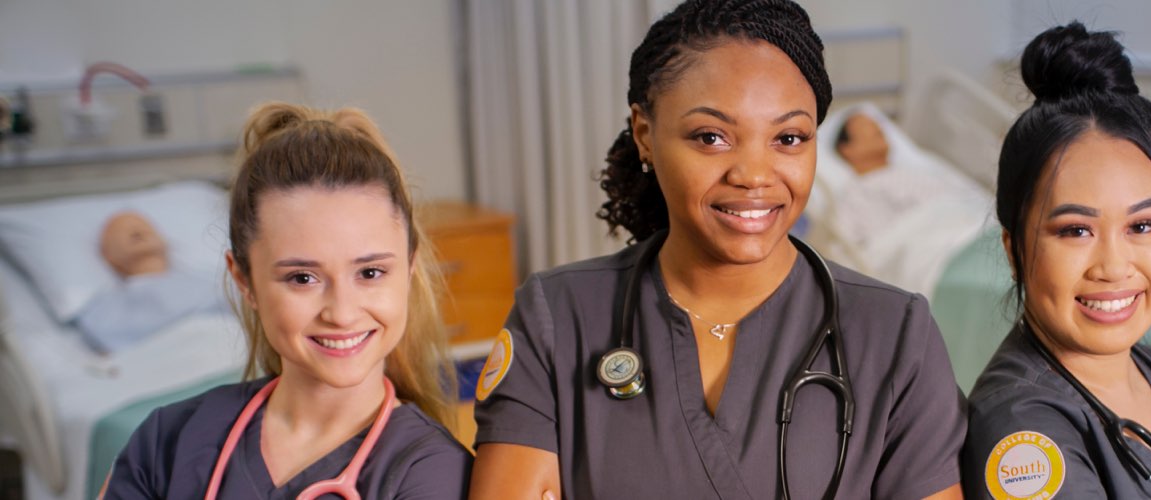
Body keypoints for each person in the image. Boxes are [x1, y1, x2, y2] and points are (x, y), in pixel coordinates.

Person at [469, 0, 966, 498]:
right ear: (645, 134)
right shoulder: (559, 316)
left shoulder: (896, 334)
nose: (752, 174)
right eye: (712, 137)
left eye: (789, 138)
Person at [102, 103, 471, 499]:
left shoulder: (433, 474)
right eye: (302, 278)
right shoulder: (165, 444)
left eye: (370, 273)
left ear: (410, 267)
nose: (342, 313)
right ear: (244, 280)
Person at [961, 23, 1151, 499]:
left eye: (1142, 226)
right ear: (1013, 250)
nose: (1114, 266)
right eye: (1076, 230)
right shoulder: (1022, 437)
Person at [75, 211, 226, 353]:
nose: (136, 230)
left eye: (145, 226)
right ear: (107, 255)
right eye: (119, 231)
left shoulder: (217, 279)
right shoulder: (102, 313)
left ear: (165, 242)